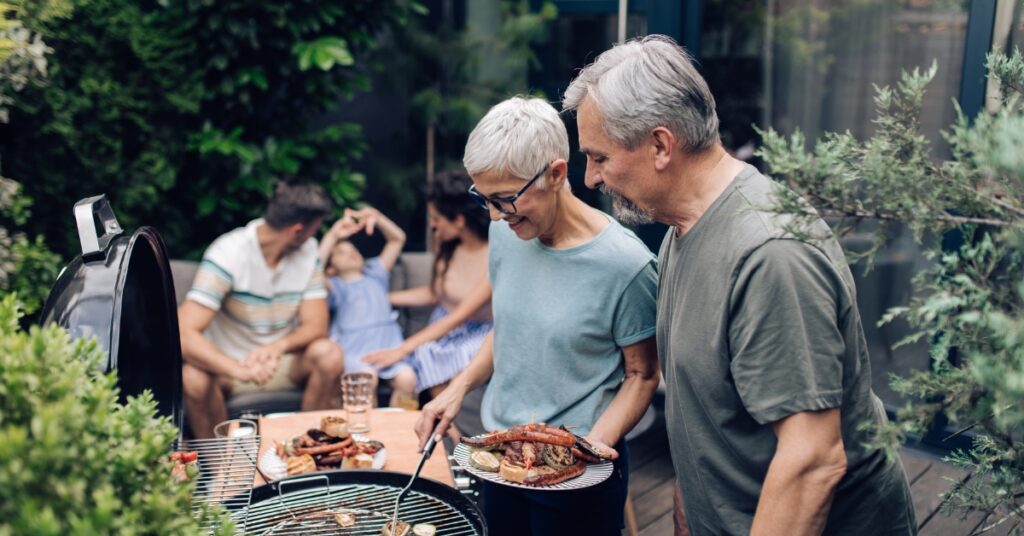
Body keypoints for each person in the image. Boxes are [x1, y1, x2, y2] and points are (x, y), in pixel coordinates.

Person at [563, 35, 915, 535]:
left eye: (599, 157)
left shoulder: (769, 254)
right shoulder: (680, 229)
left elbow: (812, 460)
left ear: (661, 145)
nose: (591, 178)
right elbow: (702, 405)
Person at [414, 96, 660, 536]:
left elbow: (642, 375)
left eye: (504, 199)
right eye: (484, 198)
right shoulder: (506, 230)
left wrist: (592, 449)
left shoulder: (627, 266)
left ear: (556, 174)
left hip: (576, 473)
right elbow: (507, 326)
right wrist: (457, 389)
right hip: (501, 461)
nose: (492, 215)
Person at [179, 181, 344, 439]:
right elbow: (184, 333)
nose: (315, 236)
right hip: (229, 368)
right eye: (315, 230)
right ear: (297, 230)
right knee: (192, 376)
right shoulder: (229, 252)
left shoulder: (309, 252)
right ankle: (225, 470)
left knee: (329, 354)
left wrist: (276, 347)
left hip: (281, 364)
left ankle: (309, 450)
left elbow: (317, 326)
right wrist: (238, 369)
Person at [362, 170, 493, 397]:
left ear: (459, 220)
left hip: (478, 331)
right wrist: (381, 298)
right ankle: (437, 428)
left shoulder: (494, 256)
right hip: (445, 323)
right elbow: (436, 293)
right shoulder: (447, 245)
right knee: (424, 355)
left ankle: (450, 428)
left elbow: (460, 315)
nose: (433, 226)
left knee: (454, 359)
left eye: (436, 219)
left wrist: (400, 350)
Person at [318, 206, 417, 407]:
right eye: (341, 253)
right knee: (365, 379)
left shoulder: (376, 274)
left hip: (389, 346)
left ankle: (401, 429)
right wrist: (333, 235)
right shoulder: (335, 286)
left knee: (408, 379)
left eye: (353, 249)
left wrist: (377, 217)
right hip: (355, 350)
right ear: (331, 268)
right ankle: (367, 430)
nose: (351, 253)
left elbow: (397, 239)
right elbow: (314, 268)